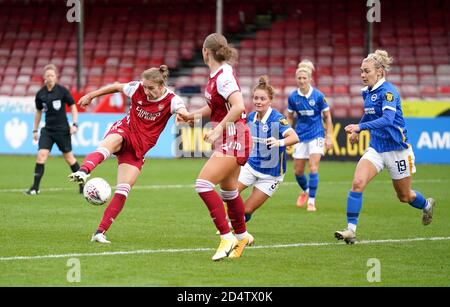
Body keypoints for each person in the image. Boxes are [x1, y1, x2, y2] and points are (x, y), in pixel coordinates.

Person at [69, 65, 189, 244]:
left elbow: (184, 113)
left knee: (123, 190)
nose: (146, 91)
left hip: (139, 148)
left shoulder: (173, 100)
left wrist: (184, 117)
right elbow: (116, 87)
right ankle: (83, 171)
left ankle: (99, 232)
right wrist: (91, 95)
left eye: (151, 88)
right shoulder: (137, 88)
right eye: (145, 87)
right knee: (108, 145)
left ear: (161, 85)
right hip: (126, 129)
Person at [334, 50, 436, 244]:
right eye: (361, 71)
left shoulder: (388, 92)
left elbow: (387, 119)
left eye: (366, 71)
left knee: (405, 196)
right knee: (357, 183)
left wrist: (359, 127)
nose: (362, 75)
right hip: (376, 148)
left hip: (398, 150)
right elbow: (370, 114)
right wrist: (358, 130)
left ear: (379, 71)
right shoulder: (368, 92)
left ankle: (426, 205)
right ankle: (351, 230)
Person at [178, 33, 253, 261]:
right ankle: (242, 235)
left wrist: (219, 129)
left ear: (205, 52)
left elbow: (239, 106)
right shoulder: (216, 76)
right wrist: (192, 116)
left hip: (235, 136)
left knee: (203, 184)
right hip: (230, 136)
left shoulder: (223, 75)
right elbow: (214, 108)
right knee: (229, 192)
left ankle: (226, 236)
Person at [238, 76, 299, 222]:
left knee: (247, 210)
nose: (258, 101)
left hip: (271, 175)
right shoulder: (251, 117)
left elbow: (294, 137)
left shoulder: (277, 119)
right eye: (256, 98)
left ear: (270, 101)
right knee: (228, 193)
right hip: (251, 166)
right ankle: (230, 225)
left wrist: (279, 142)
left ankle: (238, 228)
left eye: (262, 99)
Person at [25, 64, 82, 195]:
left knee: (69, 158)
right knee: (41, 156)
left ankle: (82, 185)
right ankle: (35, 188)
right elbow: (38, 112)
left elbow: (73, 106)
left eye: (52, 75)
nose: (50, 78)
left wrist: (75, 124)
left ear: (56, 77)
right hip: (48, 131)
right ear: (44, 77)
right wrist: (35, 130)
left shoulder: (62, 91)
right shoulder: (40, 94)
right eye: (48, 75)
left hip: (62, 130)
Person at [286, 60, 334, 211]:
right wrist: (287, 135)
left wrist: (329, 136)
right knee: (298, 171)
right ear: (296, 79)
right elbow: (289, 118)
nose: (301, 81)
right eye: (299, 78)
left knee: (313, 167)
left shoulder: (319, 96)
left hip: (317, 134)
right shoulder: (293, 97)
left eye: (304, 78)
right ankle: (306, 191)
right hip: (300, 135)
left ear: (310, 79)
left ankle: (311, 201)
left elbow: (327, 117)